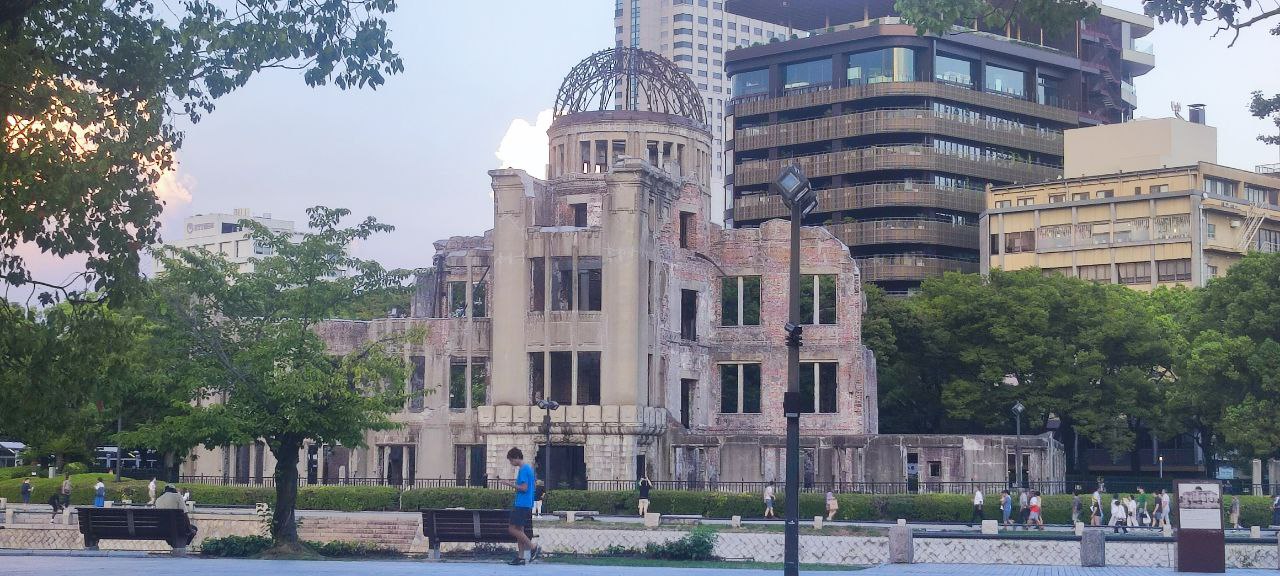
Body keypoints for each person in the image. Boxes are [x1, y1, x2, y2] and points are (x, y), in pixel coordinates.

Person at [499, 447, 538, 566]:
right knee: (520, 530)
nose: (511, 463)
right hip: (526, 503)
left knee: (512, 529)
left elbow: (524, 488)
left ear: (516, 458)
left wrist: (508, 484)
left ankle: (533, 547)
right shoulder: (527, 469)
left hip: (522, 504)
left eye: (511, 460)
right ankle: (520, 557)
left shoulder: (523, 470)